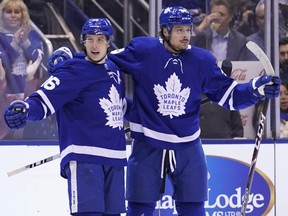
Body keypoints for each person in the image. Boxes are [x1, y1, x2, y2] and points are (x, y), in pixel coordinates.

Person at [47, 6, 281, 216]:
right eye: (179, 30)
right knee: (140, 207)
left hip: (188, 145)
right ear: (165, 31)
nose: (186, 35)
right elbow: (103, 59)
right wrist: (72, 59)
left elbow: (228, 95)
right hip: (149, 143)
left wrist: (255, 89)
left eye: (187, 29)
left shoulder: (202, 59)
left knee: (193, 207)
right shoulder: (143, 50)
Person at [4, 18, 129, 216]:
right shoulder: (73, 71)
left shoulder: (114, 71)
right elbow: (44, 99)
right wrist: (25, 108)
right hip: (85, 157)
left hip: (115, 157)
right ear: (83, 41)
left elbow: (120, 106)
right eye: (90, 39)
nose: (95, 45)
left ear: (108, 42)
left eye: (100, 39)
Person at [0, 0, 44, 139]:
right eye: (9, 12)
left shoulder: (32, 35)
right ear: (2, 15)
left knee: (29, 134)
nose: (13, 15)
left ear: (22, 14)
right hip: (4, 95)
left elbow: (37, 58)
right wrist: (13, 44)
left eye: (17, 12)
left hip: (28, 92)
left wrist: (25, 42)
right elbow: (4, 62)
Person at [200, 60, 244, 138]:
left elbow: (237, 127)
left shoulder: (227, 94)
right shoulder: (194, 95)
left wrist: (237, 144)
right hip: (200, 143)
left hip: (225, 144)